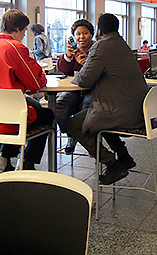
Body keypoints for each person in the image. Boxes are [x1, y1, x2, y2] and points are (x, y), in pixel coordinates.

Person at [69, 13, 149, 185]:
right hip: (136, 108)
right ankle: (124, 156)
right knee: (94, 117)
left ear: (99, 30)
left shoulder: (101, 46)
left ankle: (113, 165)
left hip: (120, 111)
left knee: (73, 124)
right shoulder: (122, 44)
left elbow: (84, 80)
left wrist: (75, 76)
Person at [0, 9, 54, 174]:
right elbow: (36, 82)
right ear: (17, 29)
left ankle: (2, 157)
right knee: (47, 115)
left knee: (26, 108)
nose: (24, 35)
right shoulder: (15, 47)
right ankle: (27, 162)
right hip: (8, 120)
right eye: (23, 31)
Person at [55, 18, 95, 154]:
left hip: (92, 90)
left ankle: (92, 144)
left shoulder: (98, 50)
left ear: (91, 35)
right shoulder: (73, 52)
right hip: (74, 90)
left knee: (86, 112)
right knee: (58, 107)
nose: (81, 37)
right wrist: (67, 56)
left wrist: (87, 64)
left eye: (85, 33)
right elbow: (63, 70)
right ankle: (72, 135)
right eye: (78, 34)